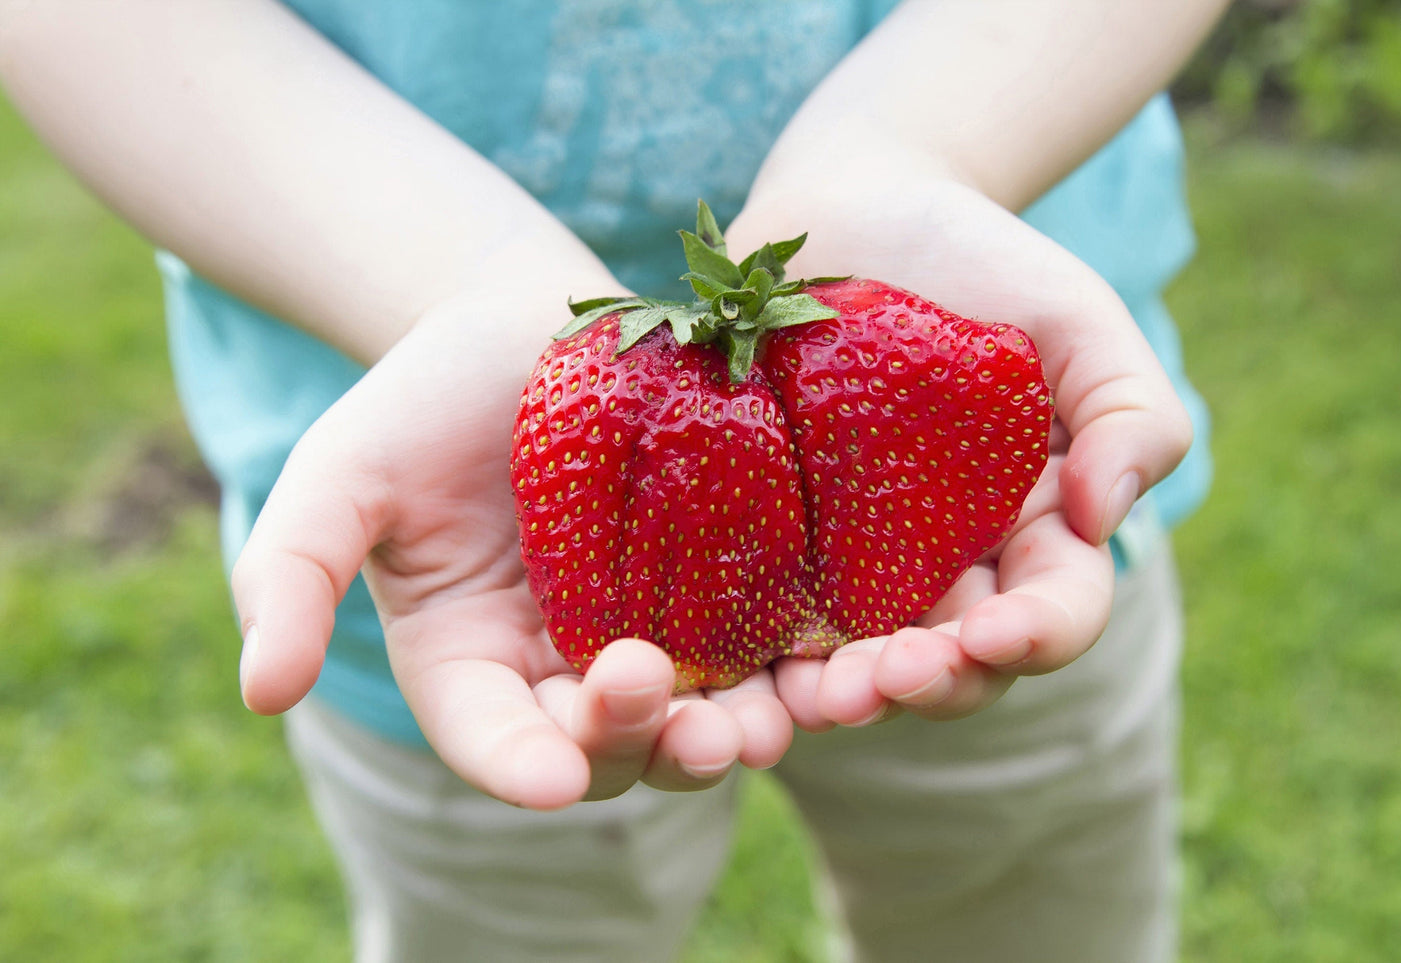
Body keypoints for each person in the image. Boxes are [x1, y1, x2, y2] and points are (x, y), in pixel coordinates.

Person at [0, 1, 1225, 959]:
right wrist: (456, 282)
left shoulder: (938, 391)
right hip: (460, 530)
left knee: (1031, 910)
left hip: (1006, 512)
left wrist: (918, 153)